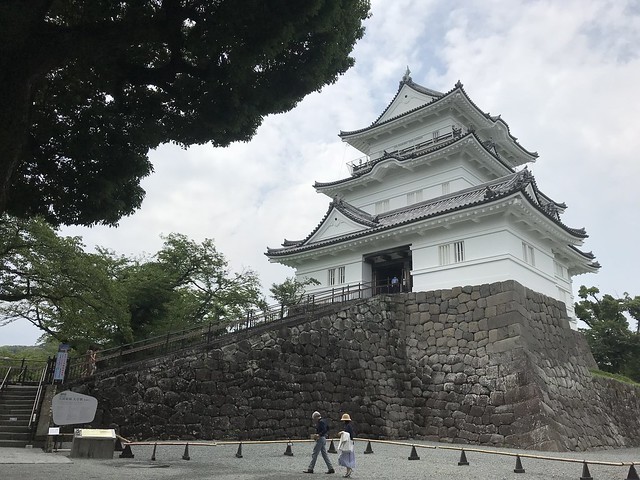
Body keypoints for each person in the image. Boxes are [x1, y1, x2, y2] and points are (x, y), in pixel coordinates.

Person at [337, 413, 356, 478]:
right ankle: (348, 471)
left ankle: (348, 470)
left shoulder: (347, 426)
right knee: (348, 458)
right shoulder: (349, 426)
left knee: (346, 457)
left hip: (348, 444)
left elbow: (347, 435)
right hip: (350, 444)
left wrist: (342, 432)